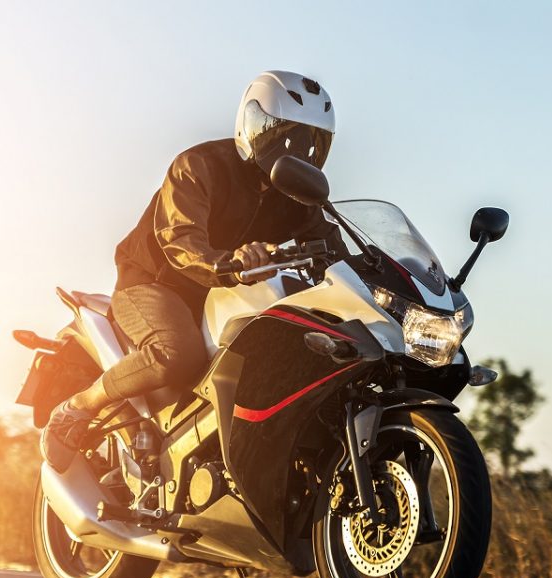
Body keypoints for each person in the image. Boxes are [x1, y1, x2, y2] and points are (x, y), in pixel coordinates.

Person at [41, 70, 338, 470]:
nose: (299, 155)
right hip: (155, 281)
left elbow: (332, 245)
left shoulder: (295, 196)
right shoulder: (199, 166)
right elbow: (179, 238)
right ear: (253, 126)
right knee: (177, 355)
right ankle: (79, 407)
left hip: (224, 290)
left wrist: (382, 274)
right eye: (287, 138)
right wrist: (229, 263)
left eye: (311, 144)